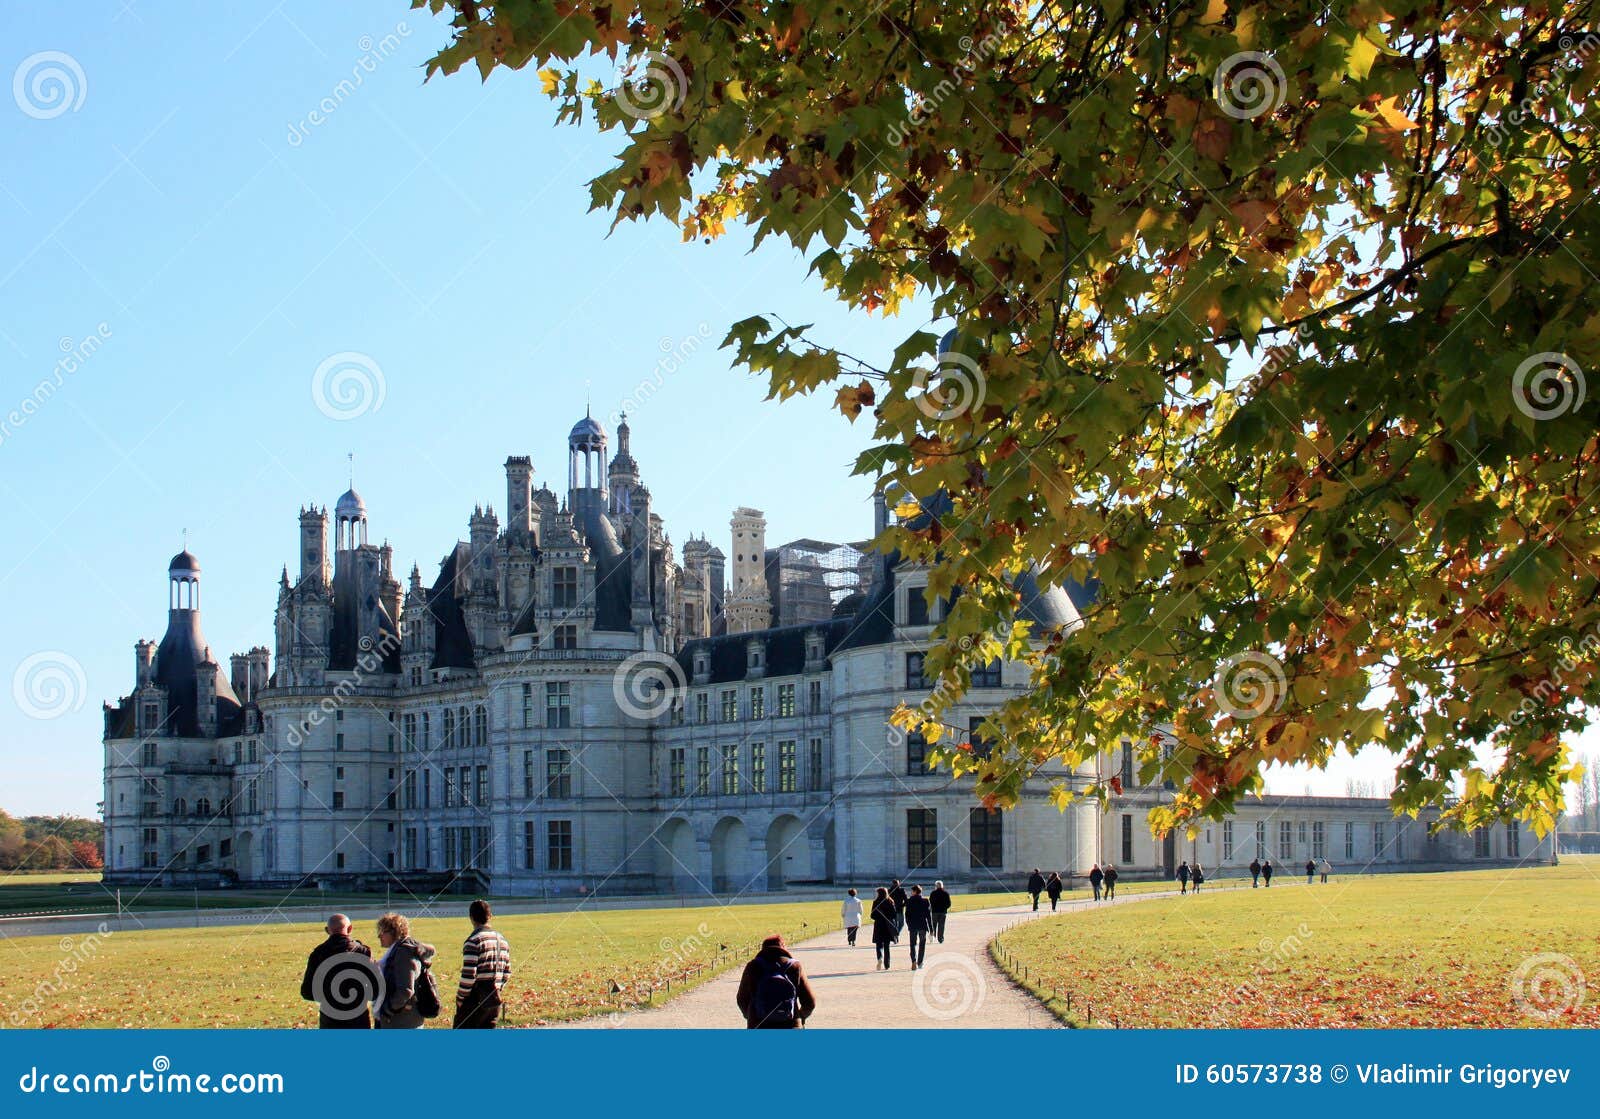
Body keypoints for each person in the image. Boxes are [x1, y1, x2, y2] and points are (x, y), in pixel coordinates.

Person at [300, 913, 374, 1029]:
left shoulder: (318, 954)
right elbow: (375, 990)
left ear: (327, 930)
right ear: (350, 928)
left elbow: (307, 992)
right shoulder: (363, 952)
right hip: (358, 1019)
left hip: (330, 1020)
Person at [735, 934, 817, 1029]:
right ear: (783, 948)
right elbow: (810, 1002)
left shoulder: (753, 966)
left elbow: (741, 999)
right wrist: (800, 1016)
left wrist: (751, 1016)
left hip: (758, 1025)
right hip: (790, 1025)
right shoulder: (795, 966)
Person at [454, 899, 512, 1029]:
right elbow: (507, 972)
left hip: (473, 1002)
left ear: (471, 918)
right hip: (493, 1001)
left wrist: (460, 997)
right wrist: (497, 988)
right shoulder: (502, 940)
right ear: (490, 916)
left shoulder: (473, 942)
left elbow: (469, 976)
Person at [374, 912, 437, 1030]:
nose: (379, 936)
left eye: (382, 931)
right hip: (404, 1018)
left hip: (401, 1021)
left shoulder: (403, 953)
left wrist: (387, 1010)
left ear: (395, 932)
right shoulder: (398, 950)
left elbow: (405, 991)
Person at [903, 885, 933, 969]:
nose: (911, 893)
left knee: (912, 944)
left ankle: (913, 960)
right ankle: (920, 962)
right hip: (922, 925)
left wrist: (909, 924)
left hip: (912, 925)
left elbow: (907, 915)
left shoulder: (909, 901)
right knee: (922, 944)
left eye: (912, 891)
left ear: (915, 891)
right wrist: (931, 929)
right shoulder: (925, 901)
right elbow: (928, 916)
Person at [869, 886, 899, 970]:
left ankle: (880, 958)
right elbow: (894, 915)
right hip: (887, 926)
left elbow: (872, 915)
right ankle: (887, 964)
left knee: (878, 944)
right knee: (886, 946)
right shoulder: (890, 901)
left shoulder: (876, 902)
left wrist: (879, 917)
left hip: (879, 925)